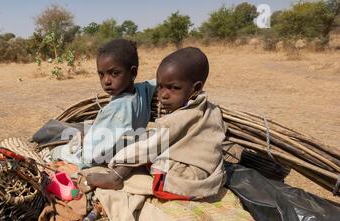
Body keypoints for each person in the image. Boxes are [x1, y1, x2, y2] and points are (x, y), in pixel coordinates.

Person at [86, 47, 226, 200]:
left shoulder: (179, 118)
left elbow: (148, 148)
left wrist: (119, 159)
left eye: (174, 88)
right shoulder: (211, 109)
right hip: (209, 174)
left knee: (140, 142)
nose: (163, 95)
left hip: (183, 180)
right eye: (160, 87)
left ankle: (115, 177)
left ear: (196, 88)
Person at [50, 39, 156, 169]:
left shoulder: (116, 110)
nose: (106, 81)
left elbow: (89, 157)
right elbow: (156, 82)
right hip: (122, 146)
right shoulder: (143, 91)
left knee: (53, 148)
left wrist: (60, 153)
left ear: (133, 73)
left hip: (104, 156)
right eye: (101, 74)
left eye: (114, 73)